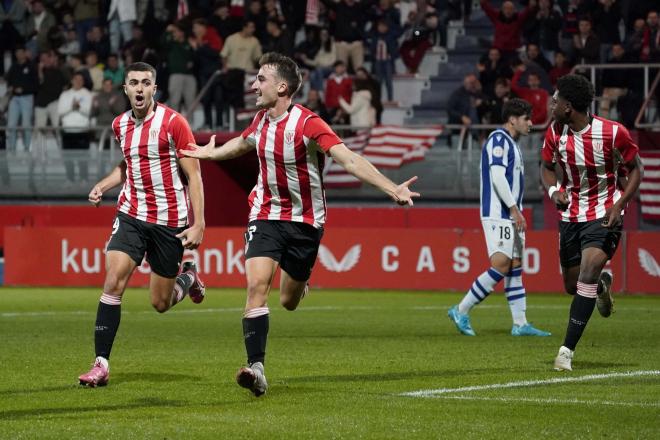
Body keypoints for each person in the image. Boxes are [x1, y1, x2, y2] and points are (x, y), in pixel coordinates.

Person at [182, 52, 419, 397]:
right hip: (265, 215)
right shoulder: (260, 121)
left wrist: (391, 188)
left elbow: (349, 159)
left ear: (281, 87)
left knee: (288, 300)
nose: (253, 84)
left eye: (260, 79)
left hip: (305, 222)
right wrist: (208, 154)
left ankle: (300, 283)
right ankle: (257, 368)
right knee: (255, 286)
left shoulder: (309, 124)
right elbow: (241, 143)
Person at [77, 62, 206, 387]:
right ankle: (101, 364)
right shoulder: (121, 125)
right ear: (125, 88)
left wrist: (199, 222)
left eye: (145, 83)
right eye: (133, 82)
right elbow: (128, 164)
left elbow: (193, 174)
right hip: (131, 214)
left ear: (154, 88)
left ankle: (188, 278)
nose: (138, 88)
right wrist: (103, 186)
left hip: (169, 221)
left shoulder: (174, 123)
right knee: (113, 283)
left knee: (160, 303)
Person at [540, 74, 643, 371]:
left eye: (556, 100)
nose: (552, 104)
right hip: (571, 215)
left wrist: (620, 204)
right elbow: (546, 168)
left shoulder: (613, 133)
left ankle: (565, 352)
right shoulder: (555, 133)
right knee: (574, 285)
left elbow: (637, 169)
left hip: (603, 213)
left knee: (587, 271)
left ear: (569, 107)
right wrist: (553, 190)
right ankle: (600, 288)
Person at [448, 98, 551, 337]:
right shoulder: (498, 140)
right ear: (513, 119)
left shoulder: (512, 145)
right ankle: (461, 310)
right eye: (526, 119)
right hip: (499, 214)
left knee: (515, 266)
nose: (531, 123)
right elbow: (497, 176)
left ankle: (520, 323)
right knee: (502, 265)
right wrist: (514, 209)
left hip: (510, 214)